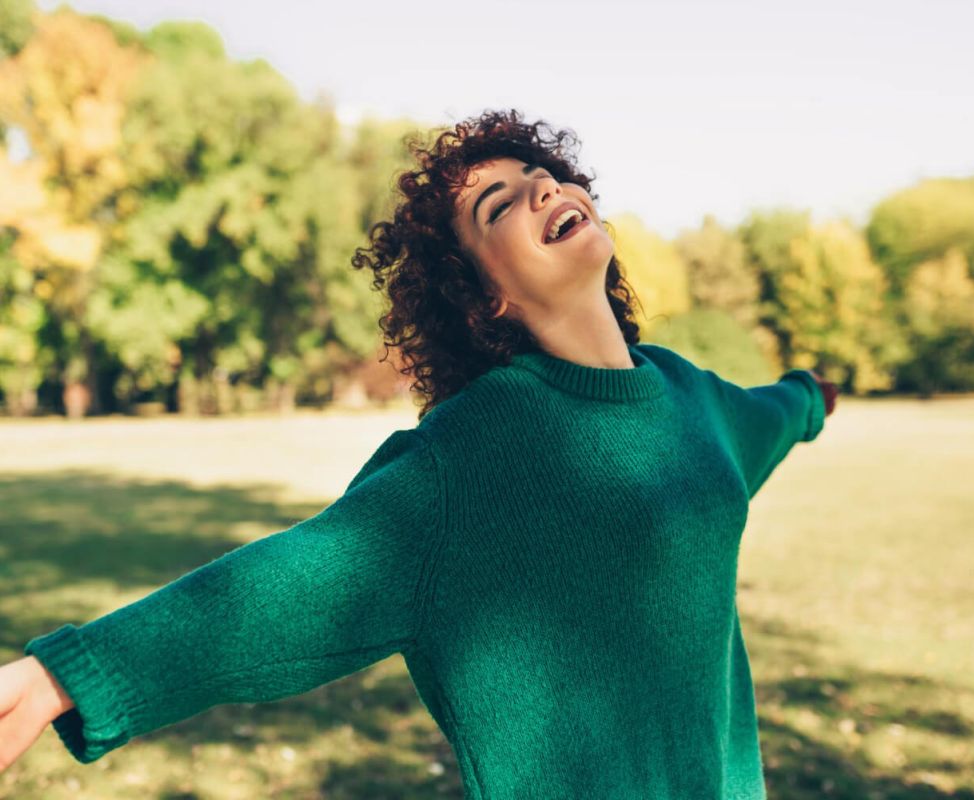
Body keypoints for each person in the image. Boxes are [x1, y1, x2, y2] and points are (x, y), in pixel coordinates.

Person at [1, 107, 837, 798]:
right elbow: (283, 588)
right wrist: (63, 678)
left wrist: (812, 398)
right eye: (498, 206)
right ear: (487, 301)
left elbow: (771, 417)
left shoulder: (693, 399)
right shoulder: (469, 460)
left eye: (540, 176)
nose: (541, 187)